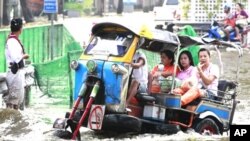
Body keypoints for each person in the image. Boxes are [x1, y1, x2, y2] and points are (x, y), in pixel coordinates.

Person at [4, 18, 29, 110]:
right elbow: (16, 58)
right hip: (15, 73)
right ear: (20, 28)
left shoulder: (12, 40)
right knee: (13, 104)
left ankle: (13, 121)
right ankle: (12, 122)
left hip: (16, 73)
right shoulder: (12, 41)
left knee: (16, 102)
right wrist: (24, 56)